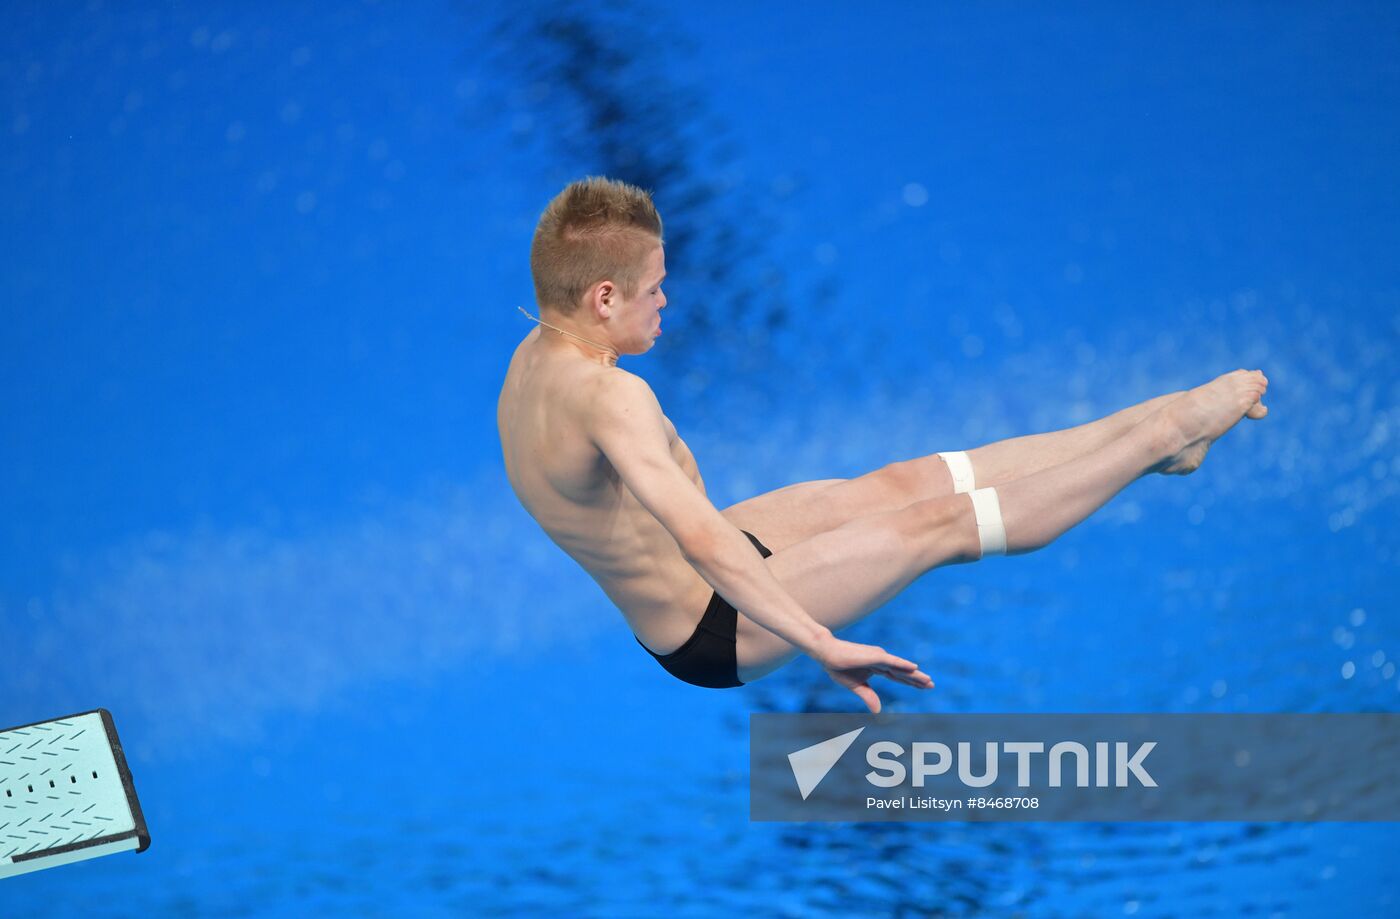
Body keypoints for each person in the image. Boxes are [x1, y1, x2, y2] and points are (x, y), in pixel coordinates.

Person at [496, 176, 1269, 713]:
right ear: (602, 297)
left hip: (717, 560)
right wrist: (819, 641)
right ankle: (1165, 436)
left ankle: (1156, 423)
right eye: (654, 286)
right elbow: (697, 537)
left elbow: (688, 527)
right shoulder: (611, 398)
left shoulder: (536, 356)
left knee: (907, 481)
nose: (666, 300)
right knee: (939, 526)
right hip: (713, 623)